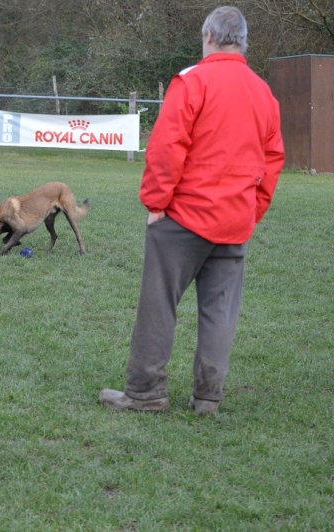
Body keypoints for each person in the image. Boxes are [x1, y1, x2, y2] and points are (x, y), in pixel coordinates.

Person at [99, 6, 285, 415]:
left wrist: (156, 203)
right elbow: (273, 158)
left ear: (208, 37)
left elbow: (167, 149)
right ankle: (207, 398)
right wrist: (252, 210)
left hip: (183, 217)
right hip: (235, 220)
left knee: (159, 302)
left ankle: (145, 393)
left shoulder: (193, 81)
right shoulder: (263, 93)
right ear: (244, 42)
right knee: (220, 313)